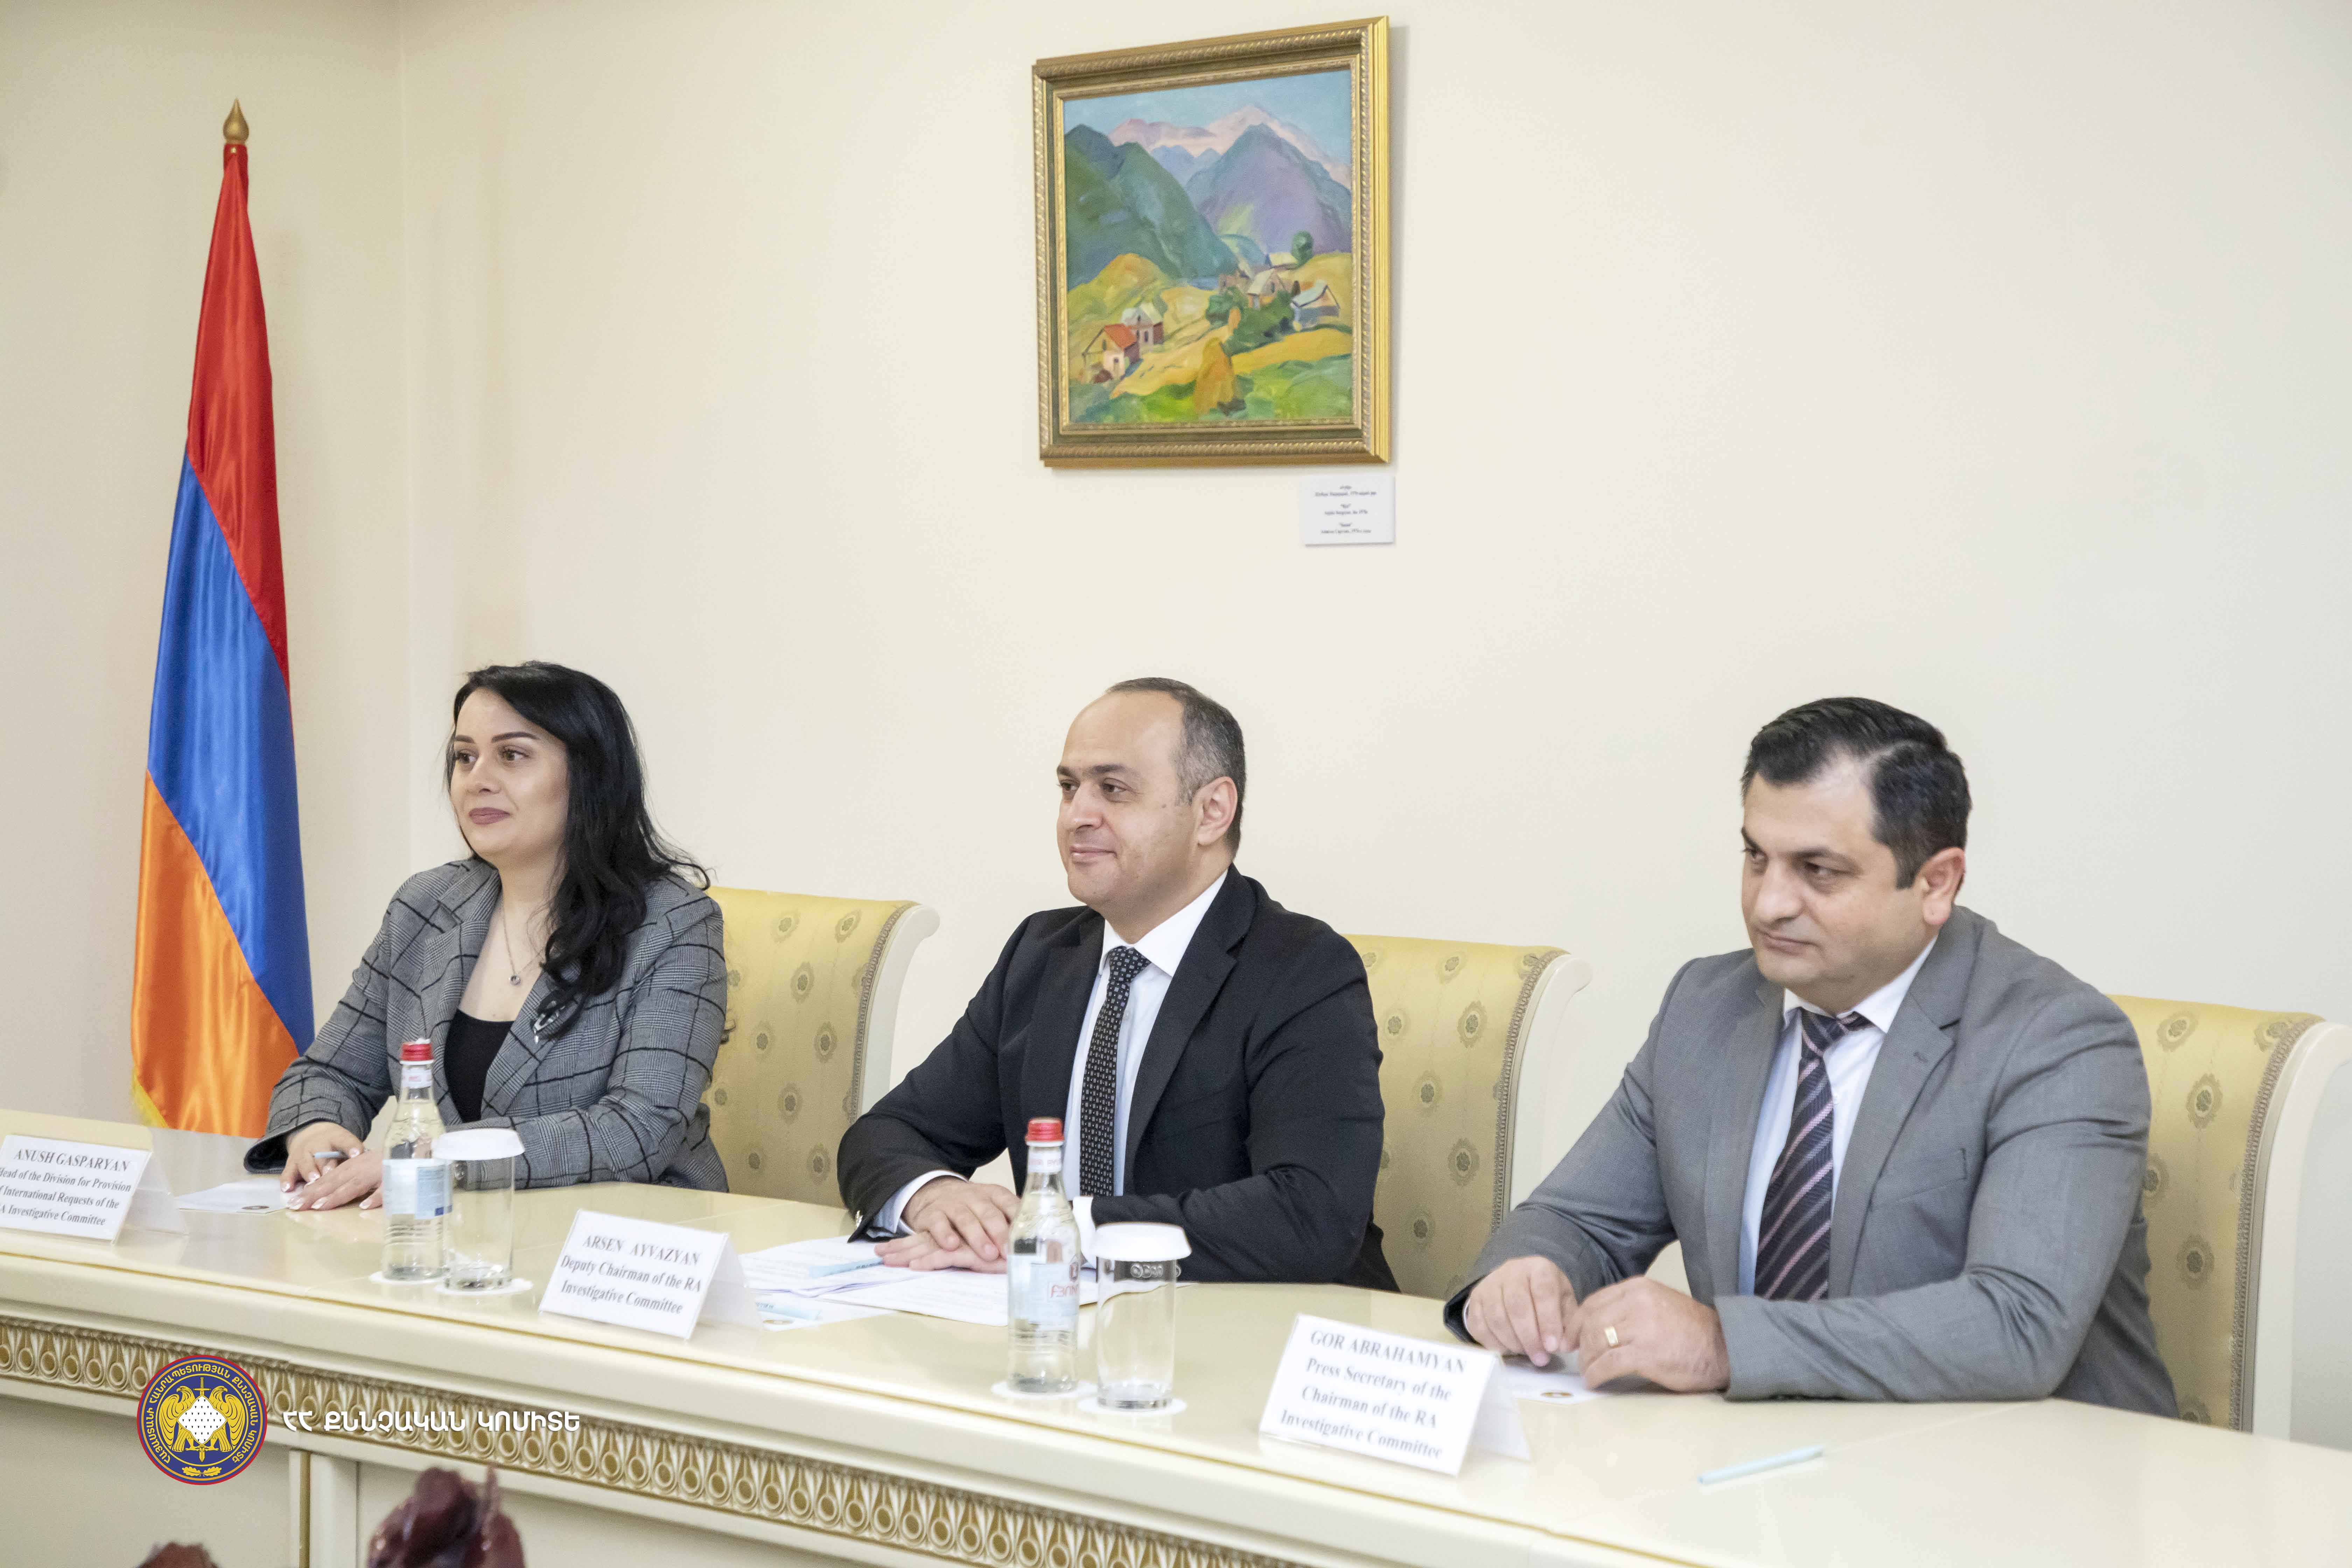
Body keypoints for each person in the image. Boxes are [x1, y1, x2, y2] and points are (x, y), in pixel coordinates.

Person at [1454, 698, 2174, 1414]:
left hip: (2025, 1468)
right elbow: (1581, 1221)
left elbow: (2018, 1323)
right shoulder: (1705, 1009)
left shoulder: (2059, 1040)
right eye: (1756, 857)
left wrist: (1724, 1344)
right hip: (1758, 1465)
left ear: (1936, 883)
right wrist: (1525, 1276)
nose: (1768, 904)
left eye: (1818, 870)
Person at [837, 678, 1394, 1288]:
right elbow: (887, 1134)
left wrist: (1061, 1230)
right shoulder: (1042, 955)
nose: (1077, 816)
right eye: (1069, 787)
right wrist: (933, 1196)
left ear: (1212, 811)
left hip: (1255, 1326)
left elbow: (1310, 1215)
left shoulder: (1302, 969)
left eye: (1113, 789)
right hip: (1063, 1324)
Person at [246, 662, 728, 1207]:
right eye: (465, 757)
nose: (478, 779)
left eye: (512, 755)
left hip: (629, 1233)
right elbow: (330, 1074)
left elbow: (637, 1129)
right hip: (459, 1233)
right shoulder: (425, 907)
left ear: (590, 775)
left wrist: (437, 1158)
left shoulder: (673, 925)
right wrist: (316, 1131)